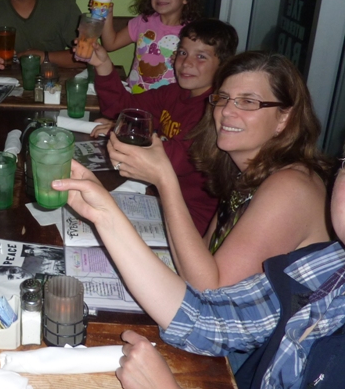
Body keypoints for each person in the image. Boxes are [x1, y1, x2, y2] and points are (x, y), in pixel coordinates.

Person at [52, 98, 345, 389]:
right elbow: (205, 318)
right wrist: (103, 213)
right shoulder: (327, 264)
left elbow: (209, 285)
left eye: (248, 101)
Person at [106, 51, 330, 291]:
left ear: (284, 118)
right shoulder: (246, 172)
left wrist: (165, 180)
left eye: (247, 102)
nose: (226, 111)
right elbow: (201, 256)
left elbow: (212, 291)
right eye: (223, 98)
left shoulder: (291, 187)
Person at [84, 19, 239, 234]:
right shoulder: (173, 93)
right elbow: (123, 108)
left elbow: (174, 159)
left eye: (201, 56)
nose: (187, 63)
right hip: (159, 199)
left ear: (223, 65)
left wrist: (120, 131)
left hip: (194, 219)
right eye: (183, 53)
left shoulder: (215, 110)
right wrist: (103, 66)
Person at [101, 0, 203, 93]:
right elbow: (110, 44)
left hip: (168, 103)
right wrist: (106, 14)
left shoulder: (193, 33)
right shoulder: (143, 21)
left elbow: (199, 72)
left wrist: (181, 60)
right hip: (135, 95)